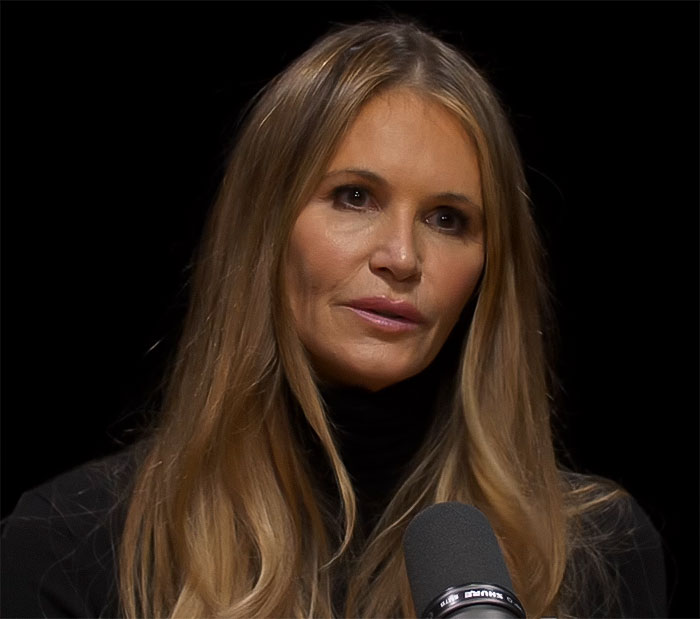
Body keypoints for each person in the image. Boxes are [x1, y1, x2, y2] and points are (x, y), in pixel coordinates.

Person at [1, 19, 666, 619]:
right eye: (354, 197)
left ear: (490, 267)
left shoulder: (599, 550)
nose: (402, 257)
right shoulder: (73, 541)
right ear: (264, 229)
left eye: (447, 219)